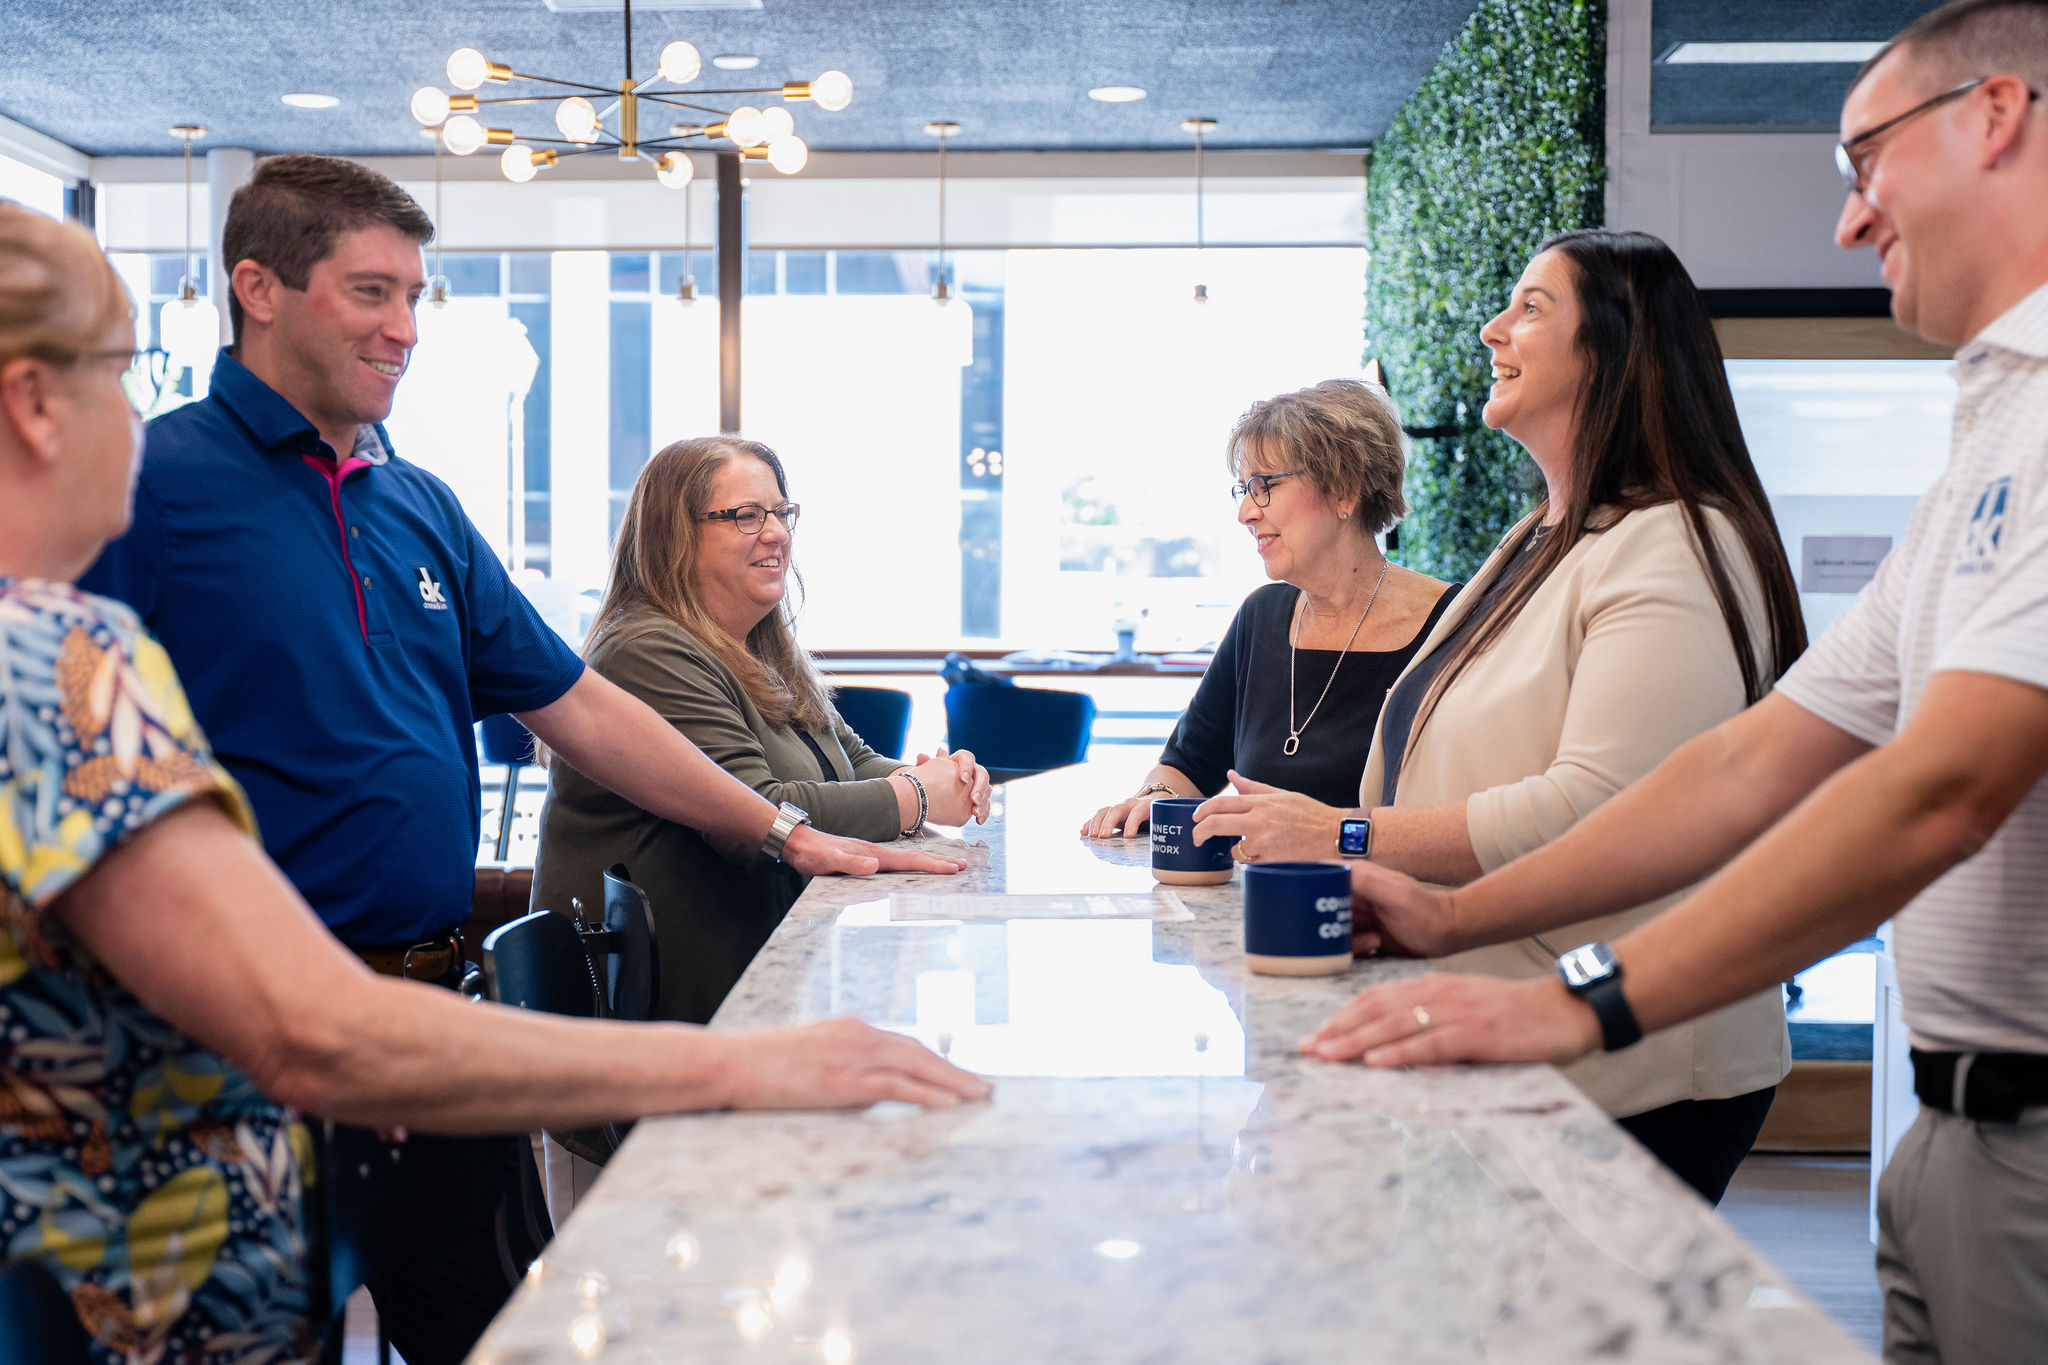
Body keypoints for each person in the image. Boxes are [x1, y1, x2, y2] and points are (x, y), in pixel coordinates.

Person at [0, 202, 988, 1365]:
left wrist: (779, 830)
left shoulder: (407, 500)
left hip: (388, 1036)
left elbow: (569, 701)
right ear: (31, 402)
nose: (406, 328)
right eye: (118, 372)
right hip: (164, 1202)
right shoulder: (52, 653)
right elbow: (307, 1026)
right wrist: (734, 1061)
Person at [1299, 2, 2048, 1356]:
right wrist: (1450, 922)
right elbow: (1750, 761)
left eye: (1863, 159)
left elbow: (1942, 787)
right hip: (1955, 1127)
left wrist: (1578, 996)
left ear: (1997, 117)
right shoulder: (1990, 432)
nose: (1847, 220)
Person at [1202, 231, 1808, 1204]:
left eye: (1530, 306)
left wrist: (1344, 833)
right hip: (1512, 1037)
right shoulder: (1538, 539)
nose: (1492, 328)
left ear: (1613, 349)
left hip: (1631, 1063)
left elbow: (1604, 807)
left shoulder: (1675, 545)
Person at [533, 436, 994, 1028]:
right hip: (659, 1024)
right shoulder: (645, 651)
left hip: (743, 991)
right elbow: (760, 816)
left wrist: (936, 777)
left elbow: (850, 762)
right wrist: (920, 796)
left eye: (781, 512)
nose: (776, 532)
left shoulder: (760, 646)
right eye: (746, 516)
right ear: (675, 536)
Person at [1080, 379, 1455, 840]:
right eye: (1244, 490)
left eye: (1265, 487)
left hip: (1400, 905)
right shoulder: (1262, 616)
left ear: (1344, 490)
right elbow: (1188, 764)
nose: (1246, 514)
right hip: (1260, 900)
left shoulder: (1451, 625)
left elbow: (1467, 815)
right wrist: (1155, 797)